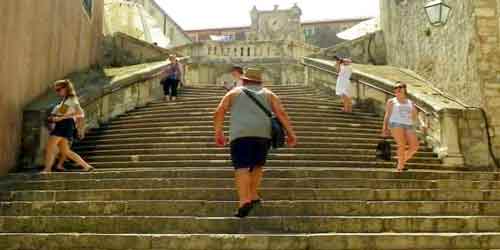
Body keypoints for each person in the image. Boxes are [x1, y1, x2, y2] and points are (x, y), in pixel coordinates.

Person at [213, 68, 297, 218]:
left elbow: (219, 111)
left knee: (242, 167)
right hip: (263, 135)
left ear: (244, 80)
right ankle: (253, 195)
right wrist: (291, 133)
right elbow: (281, 113)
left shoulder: (233, 92)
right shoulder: (269, 93)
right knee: (258, 165)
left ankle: (244, 201)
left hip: (240, 135)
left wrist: (218, 132)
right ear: (259, 81)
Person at [42, 79, 94, 173]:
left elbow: (80, 113)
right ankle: (86, 166)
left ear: (66, 88)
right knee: (65, 151)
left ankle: (47, 169)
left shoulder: (71, 99)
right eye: (56, 90)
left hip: (64, 124)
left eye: (59, 90)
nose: (57, 92)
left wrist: (62, 117)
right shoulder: (66, 100)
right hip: (65, 124)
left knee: (50, 147)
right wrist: (56, 118)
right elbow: (63, 113)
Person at [381, 82, 420, 172]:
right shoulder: (391, 101)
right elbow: (387, 115)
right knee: (401, 144)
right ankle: (400, 166)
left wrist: (420, 123)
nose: (397, 89)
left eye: (400, 87)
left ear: (404, 89)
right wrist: (384, 128)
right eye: (395, 87)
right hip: (395, 124)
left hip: (408, 125)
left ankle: (400, 161)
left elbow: (415, 115)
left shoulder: (410, 102)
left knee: (415, 146)